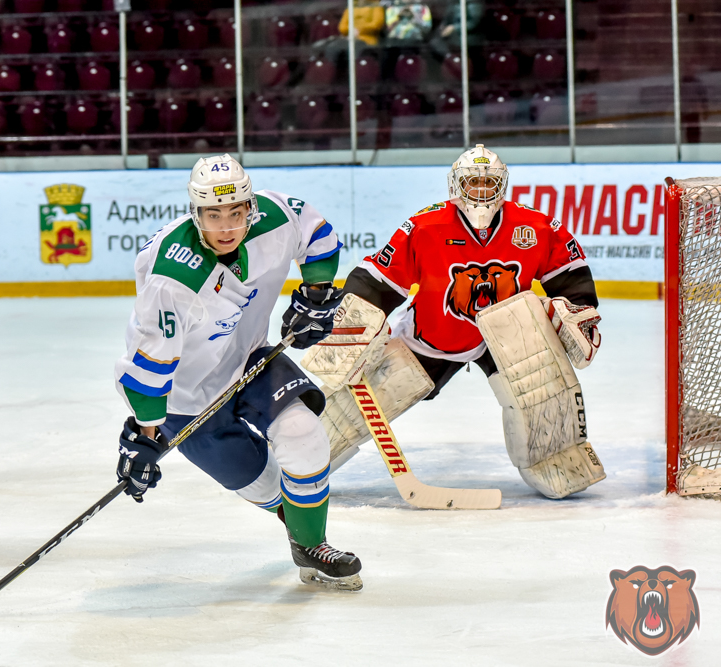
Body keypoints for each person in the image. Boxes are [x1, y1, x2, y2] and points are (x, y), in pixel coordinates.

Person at [113, 154, 363, 591]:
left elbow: (316, 233)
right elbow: (150, 362)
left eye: (236, 212)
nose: (226, 226)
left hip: (251, 357)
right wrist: (145, 435)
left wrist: (316, 293)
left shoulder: (274, 215)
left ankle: (312, 544)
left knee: (304, 434)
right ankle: (297, 527)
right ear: (196, 213)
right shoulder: (170, 278)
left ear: (250, 206)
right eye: (213, 215)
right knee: (265, 487)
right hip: (186, 401)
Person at [309, 144, 605, 499]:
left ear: (502, 184)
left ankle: (557, 460)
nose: (481, 191)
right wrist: (355, 323)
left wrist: (577, 310)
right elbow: (379, 278)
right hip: (432, 335)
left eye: (488, 183)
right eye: (472, 183)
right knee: (367, 398)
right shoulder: (425, 225)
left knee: (542, 390)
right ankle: (304, 458)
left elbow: (570, 273)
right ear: (455, 185)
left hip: (509, 340)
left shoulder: (534, 226)